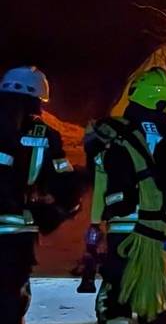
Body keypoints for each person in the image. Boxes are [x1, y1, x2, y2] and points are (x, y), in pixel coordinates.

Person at [86, 67, 166, 324]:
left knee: (116, 299)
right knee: (154, 303)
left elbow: (101, 179)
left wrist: (95, 227)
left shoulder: (111, 132)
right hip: (159, 231)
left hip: (121, 228)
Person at [0, 66, 82, 323]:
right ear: (38, 99)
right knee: (10, 297)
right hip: (16, 235)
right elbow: (63, 183)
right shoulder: (48, 136)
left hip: (16, 231)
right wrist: (67, 202)